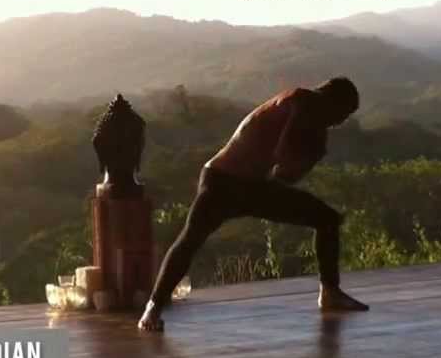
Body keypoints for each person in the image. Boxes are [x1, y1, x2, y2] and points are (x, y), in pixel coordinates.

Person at [138, 76, 369, 331]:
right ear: (332, 101)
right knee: (190, 239)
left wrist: (307, 159)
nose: (340, 122)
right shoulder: (305, 102)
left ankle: (330, 293)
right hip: (223, 182)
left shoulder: (308, 112)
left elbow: (284, 175)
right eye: (343, 114)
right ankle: (153, 308)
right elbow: (284, 160)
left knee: (326, 219)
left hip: (250, 185)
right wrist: (309, 155)